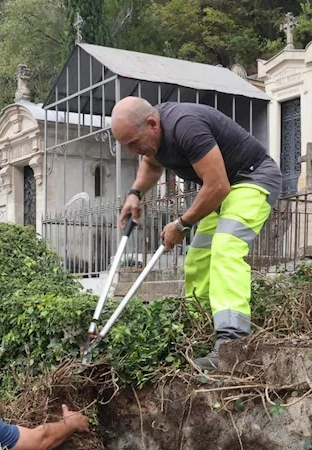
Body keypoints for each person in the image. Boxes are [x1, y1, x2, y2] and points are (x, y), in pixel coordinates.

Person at [112, 96, 282, 371]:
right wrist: (134, 194)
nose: (134, 152)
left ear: (152, 124)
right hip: (224, 186)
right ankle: (200, 331)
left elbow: (217, 186)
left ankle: (232, 346)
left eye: (133, 143)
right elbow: (152, 164)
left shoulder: (186, 126)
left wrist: (180, 224)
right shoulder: (154, 138)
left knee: (225, 249)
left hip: (251, 179)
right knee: (199, 258)